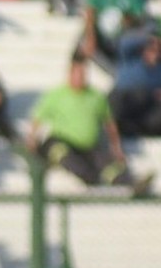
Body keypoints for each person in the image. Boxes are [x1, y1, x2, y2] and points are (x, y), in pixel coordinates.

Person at [30, 56, 147, 191]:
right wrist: (32, 139)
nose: (80, 77)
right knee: (62, 154)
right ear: (70, 74)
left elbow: (109, 123)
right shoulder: (56, 95)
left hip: (89, 146)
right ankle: (87, 177)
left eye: (83, 74)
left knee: (109, 166)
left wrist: (116, 147)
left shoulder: (96, 96)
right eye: (77, 73)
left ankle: (131, 183)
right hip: (63, 142)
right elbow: (37, 119)